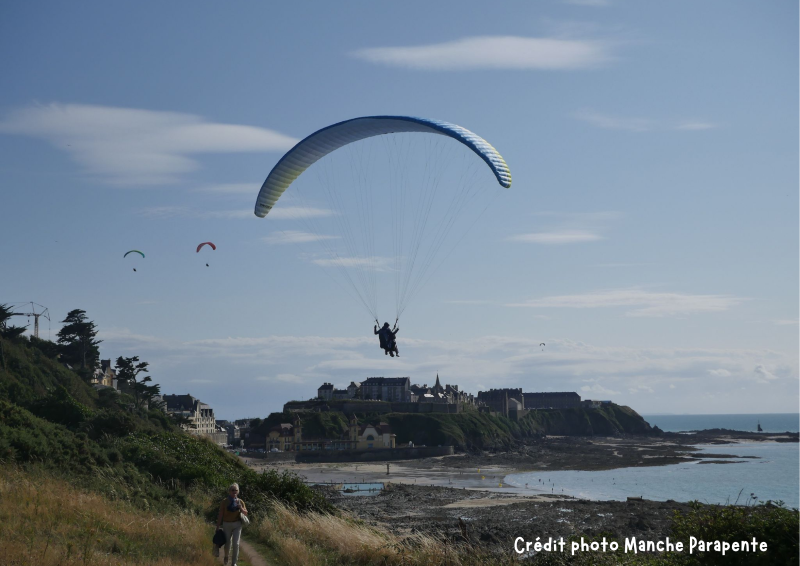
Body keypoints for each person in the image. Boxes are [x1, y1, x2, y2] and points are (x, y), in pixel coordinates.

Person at [215, 483, 248, 566]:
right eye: (232, 490)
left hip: (237, 524)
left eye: (236, 490)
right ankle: (226, 556)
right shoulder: (224, 502)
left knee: (236, 544)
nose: (234, 492)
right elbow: (221, 514)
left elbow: (245, 513)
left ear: (238, 491)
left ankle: (234, 563)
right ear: (229, 491)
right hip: (227, 524)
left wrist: (240, 507)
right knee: (227, 544)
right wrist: (218, 526)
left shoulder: (240, 501)